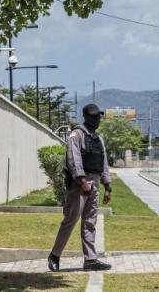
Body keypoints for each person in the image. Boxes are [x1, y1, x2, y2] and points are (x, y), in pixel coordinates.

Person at [48, 103, 112, 272]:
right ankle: (54, 255)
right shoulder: (76, 135)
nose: (98, 119)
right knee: (70, 221)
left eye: (99, 116)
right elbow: (73, 159)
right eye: (95, 116)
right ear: (87, 117)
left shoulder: (98, 139)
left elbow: (103, 162)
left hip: (95, 184)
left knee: (90, 223)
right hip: (79, 186)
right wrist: (82, 181)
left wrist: (107, 186)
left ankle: (91, 260)